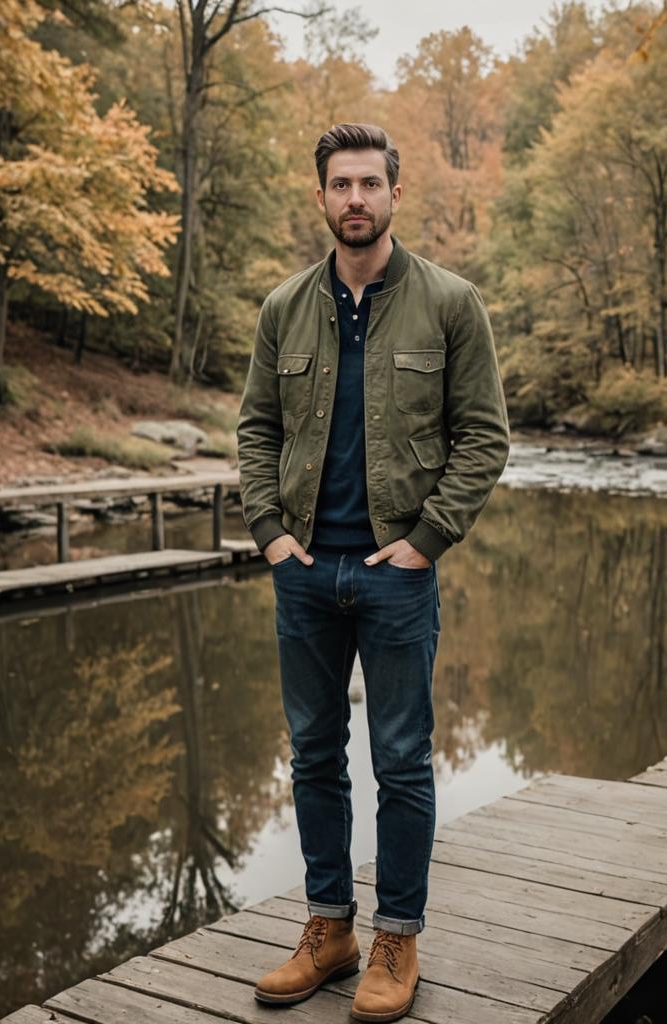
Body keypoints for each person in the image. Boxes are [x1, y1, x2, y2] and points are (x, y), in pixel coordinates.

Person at [236, 122, 509, 1023]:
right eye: (340, 185)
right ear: (320, 197)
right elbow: (256, 432)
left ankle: (398, 936)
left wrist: (428, 539)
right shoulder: (284, 308)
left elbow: (484, 438)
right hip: (306, 573)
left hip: (397, 574)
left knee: (401, 762)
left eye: (370, 184)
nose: (355, 199)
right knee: (313, 756)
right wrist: (272, 533)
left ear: (395, 193)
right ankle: (328, 930)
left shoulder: (451, 303)